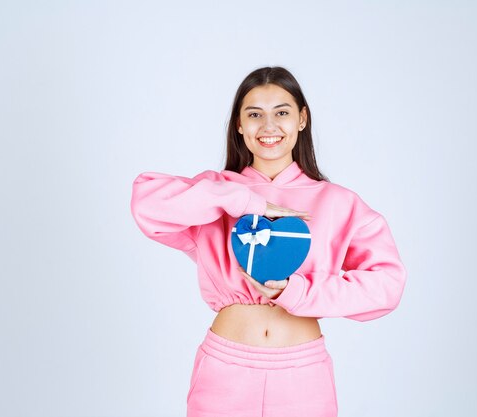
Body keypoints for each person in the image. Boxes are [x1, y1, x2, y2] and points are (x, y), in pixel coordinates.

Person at [130, 66, 407, 417]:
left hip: (302, 376)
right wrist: (243, 200)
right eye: (254, 114)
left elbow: (387, 285)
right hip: (225, 372)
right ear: (239, 125)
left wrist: (297, 291)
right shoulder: (215, 193)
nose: (269, 126)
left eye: (282, 113)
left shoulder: (338, 202)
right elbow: (146, 202)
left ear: (302, 119)